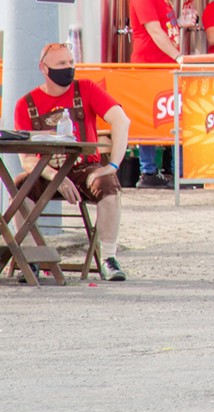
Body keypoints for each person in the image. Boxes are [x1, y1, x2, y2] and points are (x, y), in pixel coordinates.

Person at [12, 43, 132, 280]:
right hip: (46, 170)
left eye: (71, 62)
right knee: (19, 186)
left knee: (108, 184)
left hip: (84, 168)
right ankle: (29, 257)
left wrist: (114, 164)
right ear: (44, 69)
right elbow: (26, 160)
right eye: (61, 64)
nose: (68, 68)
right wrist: (55, 177)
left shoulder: (85, 88)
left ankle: (108, 258)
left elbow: (121, 120)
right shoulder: (26, 104)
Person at [128, 0, 181, 188]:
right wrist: (179, 56)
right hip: (150, 67)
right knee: (150, 119)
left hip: (163, 66)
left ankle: (168, 170)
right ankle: (148, 171)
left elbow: (165, 29)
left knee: (170, 118)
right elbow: (155, 31)